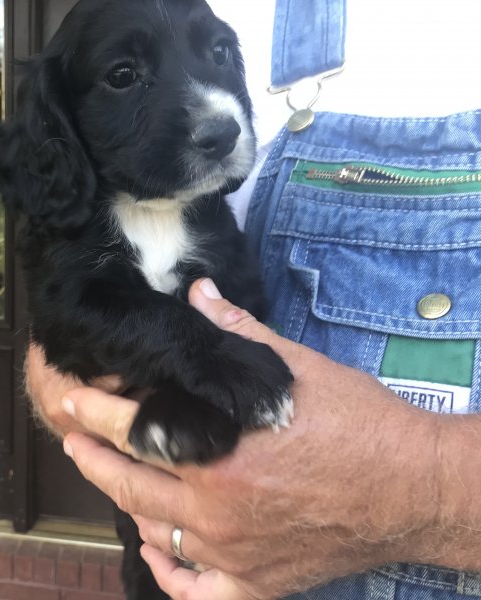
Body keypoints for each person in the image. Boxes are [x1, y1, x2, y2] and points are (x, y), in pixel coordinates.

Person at [26, 1, 481, 598]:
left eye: (216, 55)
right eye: (124, 76)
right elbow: (62, 335)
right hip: (166, 561)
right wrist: (63, 382)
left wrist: (427, 491)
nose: (219, 118)